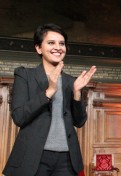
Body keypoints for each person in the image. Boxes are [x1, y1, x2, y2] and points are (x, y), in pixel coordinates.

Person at [2, 23, 97, 176]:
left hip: (67, 159)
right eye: (51, 43)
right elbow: (19, 117)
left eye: (62, 43)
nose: (58, 47)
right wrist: (49, 91)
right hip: (34, 157)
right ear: (38, 48)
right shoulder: (25, 75)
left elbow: (79, 122)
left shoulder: (70, 81)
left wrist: (77, 93)